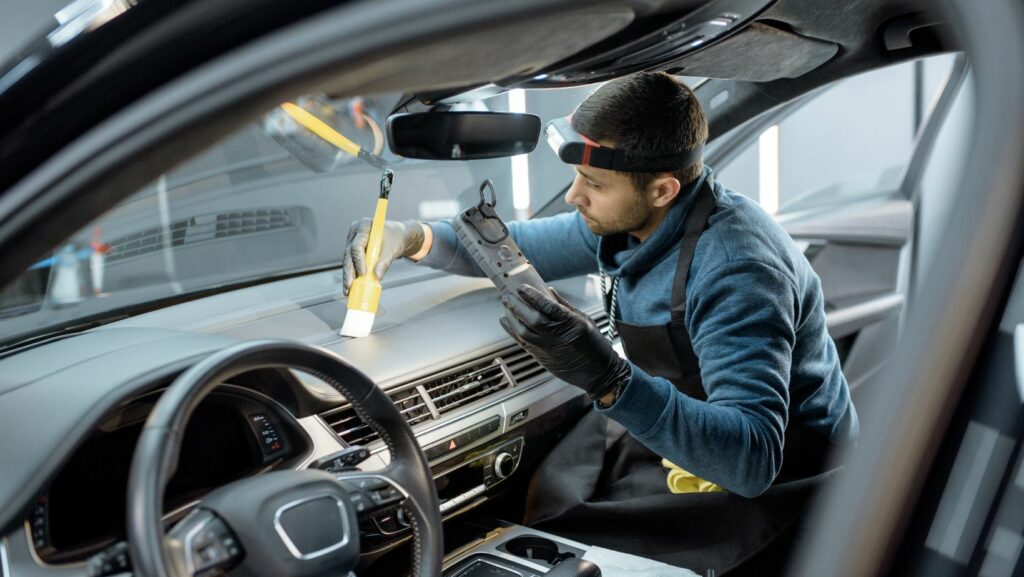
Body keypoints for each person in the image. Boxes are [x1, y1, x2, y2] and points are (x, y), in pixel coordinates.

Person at [343, 72, 859, 573]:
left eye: (593, 183)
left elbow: (752, 460)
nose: (573, 197)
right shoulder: (631, 221)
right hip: (692, 437)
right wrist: (410, 238)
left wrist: (608, 379)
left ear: (662, 189)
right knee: (555, 508)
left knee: (577, 541)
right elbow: (513, 249)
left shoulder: (736, 269)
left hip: (782, 485)